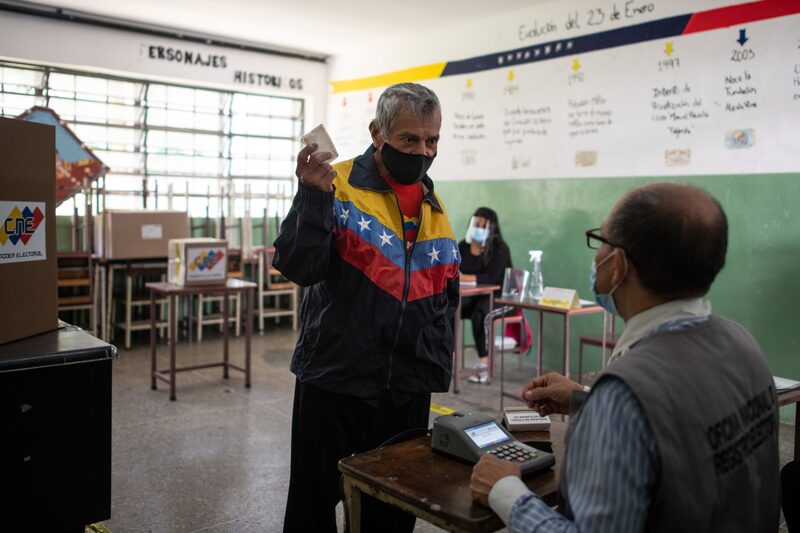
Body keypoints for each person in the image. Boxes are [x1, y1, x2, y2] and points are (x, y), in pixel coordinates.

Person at [470, 182, 779, 532]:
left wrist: (506, 492)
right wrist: (588, 401)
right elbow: (681, 423)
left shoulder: (624, 394)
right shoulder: (743, 344)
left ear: (617, 264)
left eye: (600, 241)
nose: (596, 254)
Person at [274, 83, 460, 533]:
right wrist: (311, 197)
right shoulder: (335, 186)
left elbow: (443, 301)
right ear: (378, 132)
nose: (423, 151)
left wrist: (429, 371)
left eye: (432, 140)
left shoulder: (435, 208)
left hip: (404, 393)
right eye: (409, 140)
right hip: (336, 380)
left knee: (394, 510)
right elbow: (299, 265)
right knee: (314, 506)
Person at [458, 207, 512, 383]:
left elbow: (491, 278)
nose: (479, 228)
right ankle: (448, 357)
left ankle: (484, 364)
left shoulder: (499, 249)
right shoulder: (463, 246)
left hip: (500, 297)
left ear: (492, 228)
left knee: (482, 314)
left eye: (483, 225)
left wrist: (463, 277)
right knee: (449, 308)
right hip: (475, 296)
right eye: (476, 224)